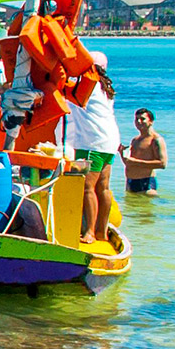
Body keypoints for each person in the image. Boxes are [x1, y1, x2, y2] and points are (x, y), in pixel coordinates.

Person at [63, 50, 120, 245]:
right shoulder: (106, 87)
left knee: (87, 187)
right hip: (110, 140)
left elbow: (63, 89)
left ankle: (89, 232)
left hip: (91, 141)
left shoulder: (89, 84)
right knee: (103, 187)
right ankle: (101, 231)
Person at [122, 107, 166, 196]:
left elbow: (162, 164)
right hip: (130, 182)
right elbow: (129, 163)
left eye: (142, 119)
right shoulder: (135, 140)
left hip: (146, 182)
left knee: (147, 209)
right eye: (136, 119)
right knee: (131, 209)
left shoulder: (156, 140)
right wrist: (121, 153)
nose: (138, 121)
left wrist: (135, 161)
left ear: (151, 121)